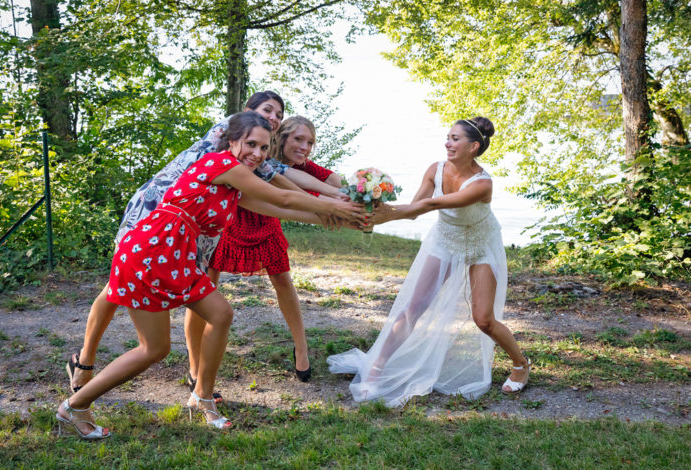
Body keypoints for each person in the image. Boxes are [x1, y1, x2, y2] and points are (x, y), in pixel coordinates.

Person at [56, 112, 365, 439]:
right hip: (153, 250)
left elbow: (284, 209)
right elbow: (284, 195)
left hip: (176, 255)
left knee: (220, 313)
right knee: (154, 349)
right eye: (251, 144)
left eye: (264, 147)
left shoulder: (235, 185)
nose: (258, 153)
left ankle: (201, 396)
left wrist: (335, 217)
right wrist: (334, 205)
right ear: (231, 141)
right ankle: (75, 406)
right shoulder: (222, 164)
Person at [327, 117, 529, 407]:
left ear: (473, 146)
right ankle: (376, 368)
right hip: (445, 240)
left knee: (483, 320)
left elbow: (432, 204)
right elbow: (413, 211)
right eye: (448, 137)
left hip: (480, 244)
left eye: (455, 139)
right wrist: (373, 210)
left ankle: (521, 364)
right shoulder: (435, 170)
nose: (448, 143)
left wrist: (391, 214)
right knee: (413, 308)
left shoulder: (483, 184)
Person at [192, 116, 341, 385]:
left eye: (309, 142)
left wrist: (363, 192)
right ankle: (196, 362)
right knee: (206, 283)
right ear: (281, 137)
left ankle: (301, 347)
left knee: (283, 279)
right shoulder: (260, 156)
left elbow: (331, 181)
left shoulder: (300, 164)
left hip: (267, 222)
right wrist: (325, 207)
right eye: (298, 139)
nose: (304, 147)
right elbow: (288, 196)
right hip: (233, 218)